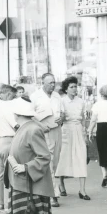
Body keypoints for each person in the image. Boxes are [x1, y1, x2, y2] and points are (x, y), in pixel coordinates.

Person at [5, 97, 55, 214]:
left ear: (17, 113)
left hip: (31, 186)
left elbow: (44, 157)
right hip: (23, 183)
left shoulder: (32, 129)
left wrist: (25, 167)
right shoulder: (25, 128)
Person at [31, 73, 63, 207]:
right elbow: (29, 116)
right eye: (50, 83)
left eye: (54, 82)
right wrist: (41, 126)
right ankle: (53, 195)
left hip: (56, 131)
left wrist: (62, 119)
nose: (53, 85)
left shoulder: (57, 96)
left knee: (55, 162)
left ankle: (43, 190)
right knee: (48, 161)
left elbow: (62, 113)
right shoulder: (35, 97)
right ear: (42, 83)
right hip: (43, 132)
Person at [55, 77, 89, 200]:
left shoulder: (81, 101)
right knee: (64, 158)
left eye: (76, 86)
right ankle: (61, 184)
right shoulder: (62, 101)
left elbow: (83, 118)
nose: (75, 89)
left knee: (81, 157)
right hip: (66, 130)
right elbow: (60, 118)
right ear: (66, 89)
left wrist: (85, 133)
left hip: (78, 130)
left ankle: (82, 190)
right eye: (72, 87)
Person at [0, 84, 17, 209]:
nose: (13, 98)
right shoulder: (6, 106)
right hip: (9, 141)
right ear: (7, 94)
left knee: (0, 174)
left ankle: (0, 202)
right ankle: (10, 203)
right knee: (12, 174)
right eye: (12, 95)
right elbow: (15, 124)